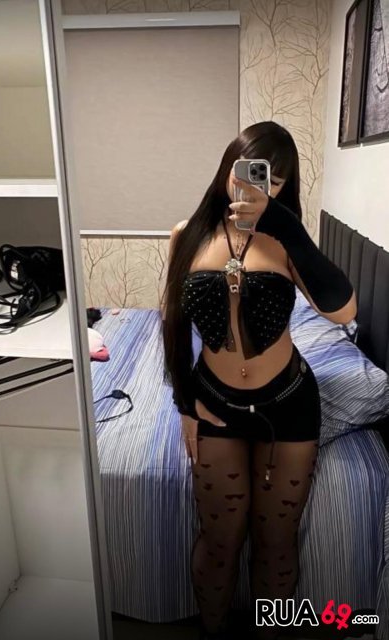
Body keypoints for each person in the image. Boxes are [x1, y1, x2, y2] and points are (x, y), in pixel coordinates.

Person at [161, 121, 357, 640]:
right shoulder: (187, 235)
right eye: (245, 170)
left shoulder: (287, 243)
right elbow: (174, 325)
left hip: (288, 408)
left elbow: (344, 311)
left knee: (276, 544)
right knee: (220, 541)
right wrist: (184, 403)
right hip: (215, 404)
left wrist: (285, 226)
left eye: (272, 179)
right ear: (227, 169)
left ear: (283, 187)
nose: (253, 185)